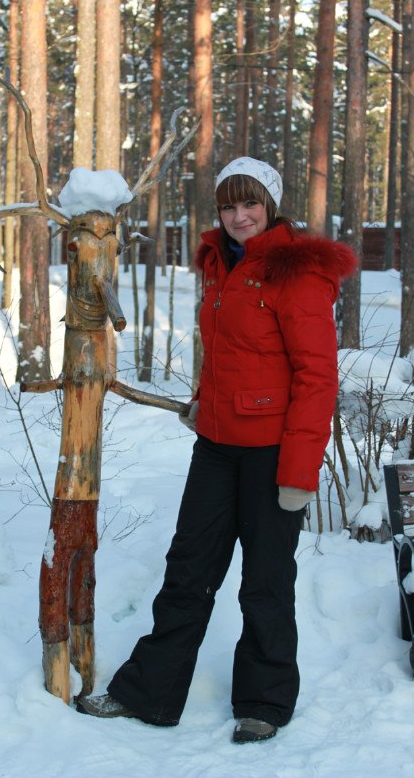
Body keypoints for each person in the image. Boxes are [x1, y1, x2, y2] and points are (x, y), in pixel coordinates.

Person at [77, 157, 357, 743]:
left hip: (275, 455)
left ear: (270, 205)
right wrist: (205, 401)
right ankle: (148, 693)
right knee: (187, 572)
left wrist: (299, 472)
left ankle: (264, 701)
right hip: (217, 447)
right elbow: (230, 351)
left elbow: (315, 378)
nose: (238, 216)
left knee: (265, 581)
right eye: (228, 206)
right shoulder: (222, 265)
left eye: (249, 203)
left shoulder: (294, 274)